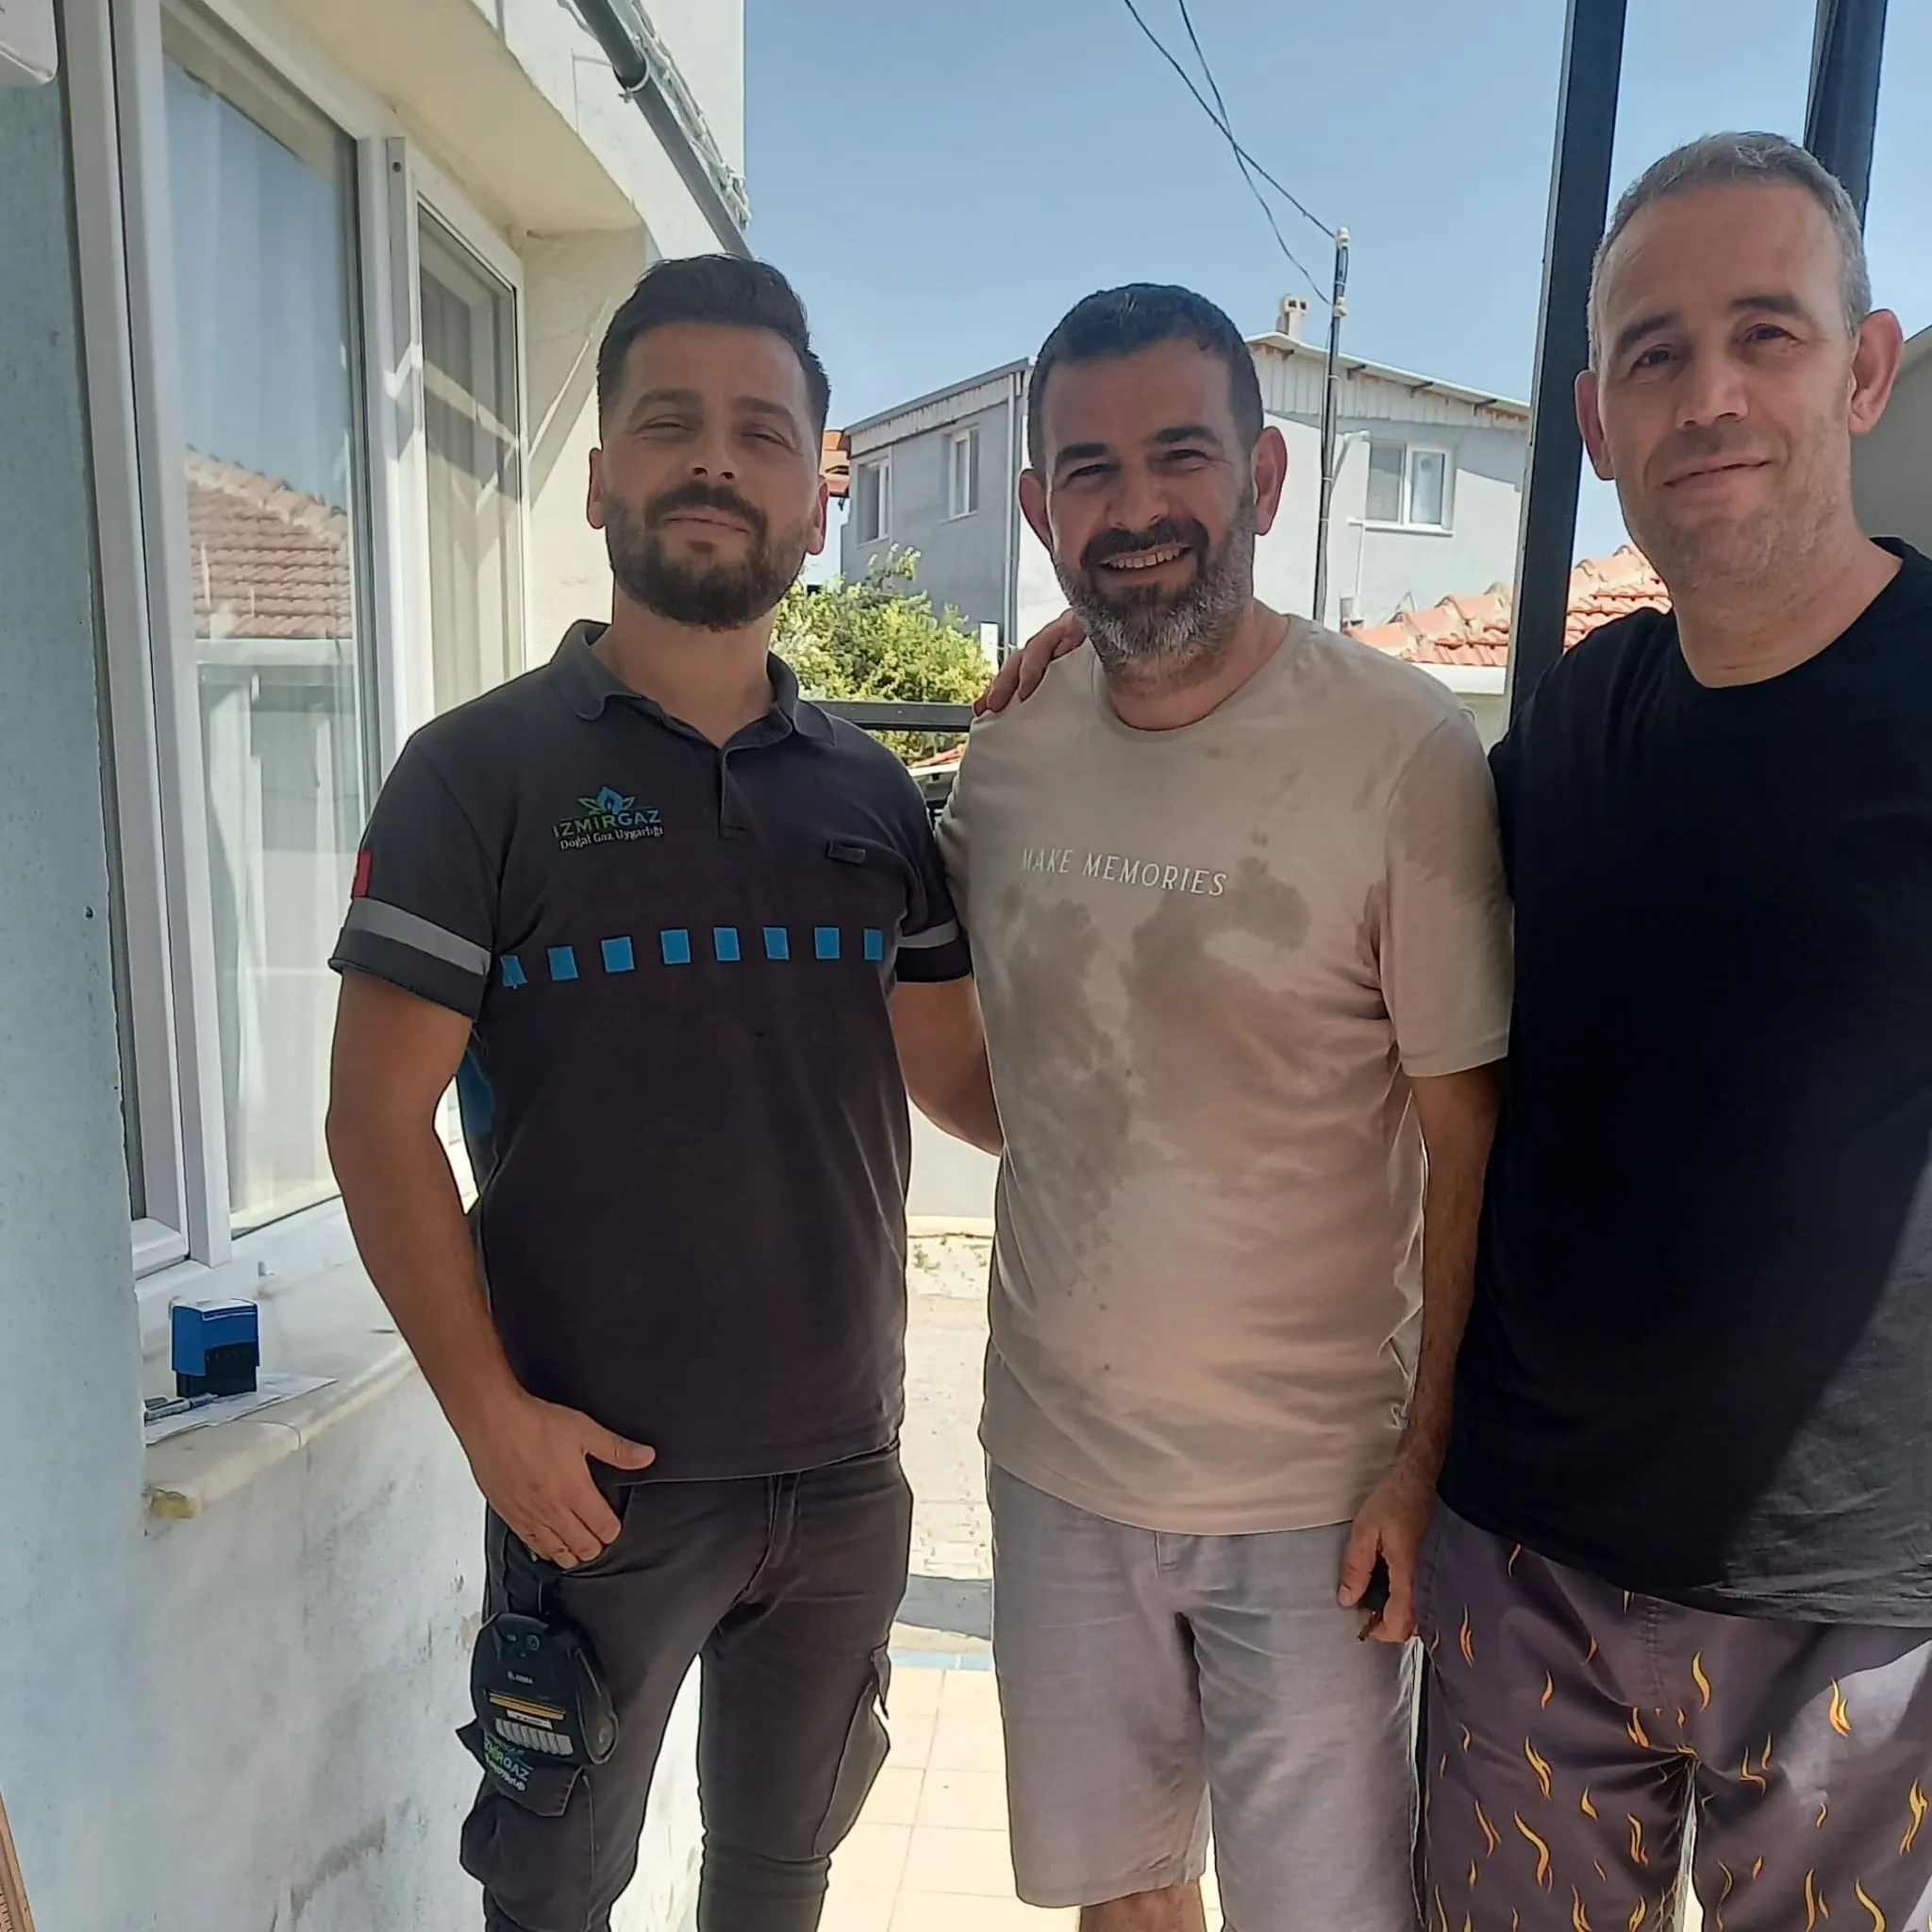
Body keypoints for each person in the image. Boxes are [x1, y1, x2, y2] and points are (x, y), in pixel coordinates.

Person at [325, 254, 999, 1932]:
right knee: (555, 1893)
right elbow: (373, 1122)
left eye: (763, 432)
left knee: (779, 1880)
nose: (716, 458)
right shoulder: (474, 777)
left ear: (817, 498)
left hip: (844, 1476)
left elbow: (972, 1090)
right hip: (592, 1485)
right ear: (599, 476)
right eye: (670, 422)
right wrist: (490, 1420)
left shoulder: (875, 800)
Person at [941, 284, 1512, 1932]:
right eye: (1090, 470)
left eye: (1179, 456)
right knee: (1123, 1901)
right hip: (1059, 1466)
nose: (1137, 508)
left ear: (1262, 478)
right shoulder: (1009, 756)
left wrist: (1423, 1463)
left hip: (1316, 1498)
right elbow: (977, 1053)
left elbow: (1468, 1142)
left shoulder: (1402, 752)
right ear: (1039, 508)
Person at [1417, 134, 1932, 1931]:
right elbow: (1363, 893)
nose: (1708, 394)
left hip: (1874, 1620)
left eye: (1765, 333)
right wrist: (1115, 681)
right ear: (1596, 421)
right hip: (1528, 1579)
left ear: (1864, 369)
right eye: (1654, 353)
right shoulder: (1575, 723)